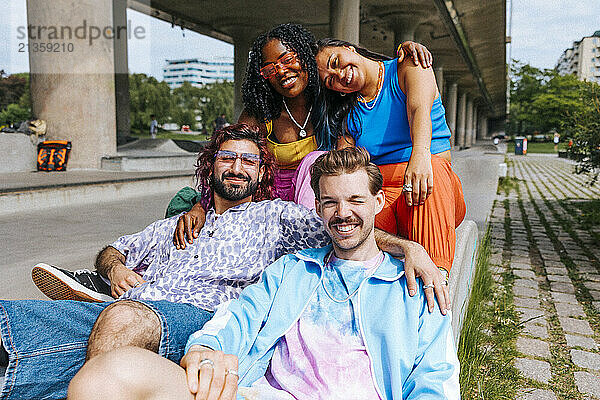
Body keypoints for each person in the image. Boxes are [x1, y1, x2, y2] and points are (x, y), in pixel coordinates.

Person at [1, 124, 446, 400]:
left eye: (248, 160)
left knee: (121, 320)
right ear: (210, 166)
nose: (236, 167)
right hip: (138, 298)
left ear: (262, 173)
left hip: (180, 315)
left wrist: (409, 247)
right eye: (227, 157)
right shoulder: (178, 223)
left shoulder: (276, 218)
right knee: (17, 321)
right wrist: (116, 269)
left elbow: (343, 232)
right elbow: (113, 249)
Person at [314, 38, 466, 278]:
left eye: (336, 62)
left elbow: (418, 110)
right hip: (385, 194)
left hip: (432, 182)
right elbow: (348, 165)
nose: (339, 75)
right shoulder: (349, 114)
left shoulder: (408, 65)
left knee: (432, 172)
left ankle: (436, 279)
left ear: (349, 48)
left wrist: (420, 155)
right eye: (330, 80)